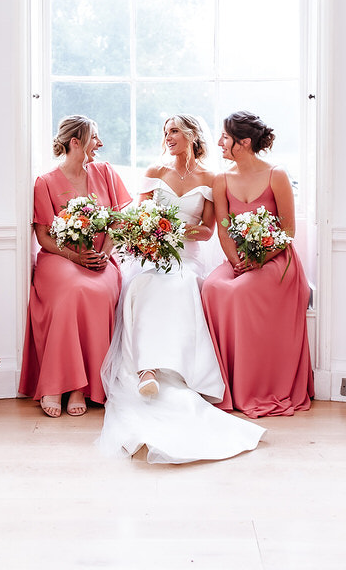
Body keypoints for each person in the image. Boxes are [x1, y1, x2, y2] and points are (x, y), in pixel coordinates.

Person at [98, 115, 265, 462]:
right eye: (165, 132)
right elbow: (137, 220)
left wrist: (171, 229)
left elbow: (207, 230)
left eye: (174, 130)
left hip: (186, 257)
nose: (168, 136)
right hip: (152, 254)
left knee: (182, 284)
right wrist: (153, 233)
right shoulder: (155, 171)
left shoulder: (210, 178)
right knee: (143, 284)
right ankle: (146, 370)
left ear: (191, 135)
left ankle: (182, 373)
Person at [201, 111, 313, 418]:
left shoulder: (277, 175)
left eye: (225, 137)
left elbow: (287, 231)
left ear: (244, 142)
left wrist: (259, 258)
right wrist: (237, 261)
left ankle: (253, 385)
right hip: (239, 258)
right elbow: (224, 229)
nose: (219, 143)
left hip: (276, 259)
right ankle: (224, 383)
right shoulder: (221, 179)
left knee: (240, 292)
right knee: (212, 287)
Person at [20, 116, 132, 418]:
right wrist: (75, 257)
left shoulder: (105, 172)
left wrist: (104, 254)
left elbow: (118, 222)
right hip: (60, 258)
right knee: (72, 290)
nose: (100, 143)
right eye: (95, 137)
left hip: (100, 260)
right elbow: (43, 236)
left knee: (96, 293)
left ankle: (80, 388)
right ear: (76, 142)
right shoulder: (45, 182)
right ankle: (57, 384)